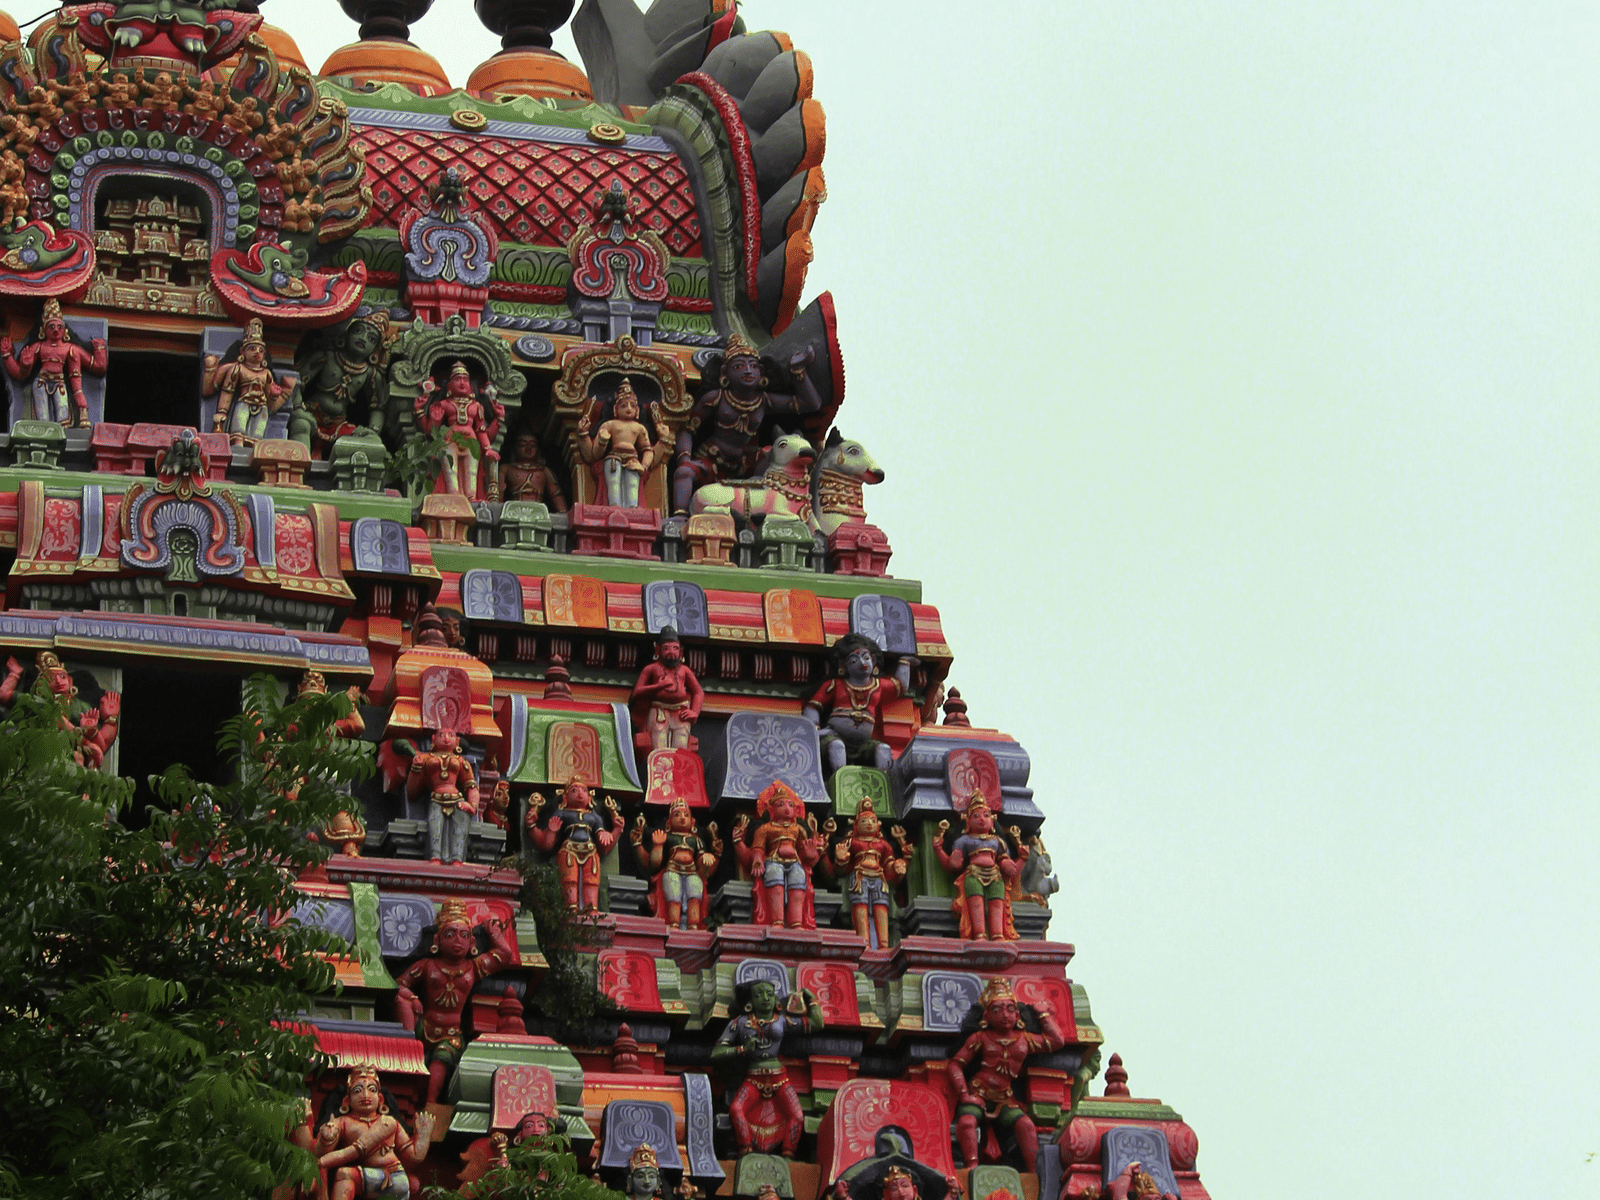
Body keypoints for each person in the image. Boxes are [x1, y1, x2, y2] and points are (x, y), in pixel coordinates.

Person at [670, 335, 821, 514]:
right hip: (713, 458)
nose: (748, 371)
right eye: (739, 366)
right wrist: (684, 458)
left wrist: (798, 371)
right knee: (684, 473)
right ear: (725, 373)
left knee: (777, 464)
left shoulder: (764, 401)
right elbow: (687, 429)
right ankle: (679, 517)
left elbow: (811, 404)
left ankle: (768, 513)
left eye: (754, 366)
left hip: (747, 460)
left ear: (762, 373)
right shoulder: (715, 398)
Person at [394, 899, 516, 1105]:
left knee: (440, 1062)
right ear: (437, 940)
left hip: (451, 1034)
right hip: (423, 1026)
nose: (457, 941)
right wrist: (412, 998)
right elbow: (399, 985)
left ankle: (431, 1105)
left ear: (472, 943)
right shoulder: (427, 965)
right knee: (400, 1000)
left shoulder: (472, 968)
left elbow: (504, 955)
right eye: (449, 935)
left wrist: (494, 933)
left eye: (464, 935)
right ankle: (406, 1049)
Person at [947, 977, 1065, 1175]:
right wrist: (964, 1094)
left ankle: (1034, 1174)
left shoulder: (1024, 1040)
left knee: (1026, 1125)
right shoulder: (980, 1038)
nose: (1005, 1015)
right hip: (979, 1093)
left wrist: (1043, 1014)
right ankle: (972, 1169)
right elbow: (955, 1065)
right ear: (986, 1016)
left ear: (1018, 1014)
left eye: (1010, 1009)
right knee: (967, 1123)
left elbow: (1056, 1041)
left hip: (1005, 1098)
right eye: (997, 1010)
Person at [711, 980, 823, 1157]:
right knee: (736, 1109)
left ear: (776, 999)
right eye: (758, 995)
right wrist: (741, 1049)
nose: (765, 998)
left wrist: (812, 1000)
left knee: (798, 1116)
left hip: (780, 1078)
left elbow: (816, 1023)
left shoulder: (783, 1021)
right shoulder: (739, 1023)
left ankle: (788, 1155)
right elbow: (716, 1053)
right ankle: (745, 1150)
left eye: (769, 994)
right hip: (753, 1078)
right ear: (750, 1002)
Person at [315, 1063, 435, 1200]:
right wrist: (326, 1139)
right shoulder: (343, 1122)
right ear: (347, 1101)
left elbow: (414, 1156)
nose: (365, 1095)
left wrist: (423, 1136)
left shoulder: (389, 1122)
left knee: (344, 1173)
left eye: (372, 1089)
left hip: (397, 1177)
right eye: (357, 1090)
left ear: (381, 1099)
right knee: (344, 1173)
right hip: (365, 1177)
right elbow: (318, 1154)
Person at [803, 634, 914, 775]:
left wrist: (904, 662)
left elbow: (900, 685)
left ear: (873, 660)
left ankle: (884, 781)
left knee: (883, 749)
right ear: (844, 665)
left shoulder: (878, 686)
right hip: (835, 736)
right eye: (854, 660)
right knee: (837, 747)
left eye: (866, 658)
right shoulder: (835, 684)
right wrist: (815, 730)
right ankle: (839, 780)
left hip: (864, 743)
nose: (862, 663)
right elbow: (812, 706)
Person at [0, 297, 107, 427]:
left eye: (59, 327)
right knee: (43, 419)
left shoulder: (70, 348)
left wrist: (99, 348)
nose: (56, 330)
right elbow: (19, 373)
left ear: (64, 331)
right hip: (41, 382)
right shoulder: (39, 346)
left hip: (59, 383)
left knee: (63, 418)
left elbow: (97, 366)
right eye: (51, 327)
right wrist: (9, 356)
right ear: (43, 331)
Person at [732, 780, 824, 930]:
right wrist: (756, 860)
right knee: (774, 877)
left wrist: (812, 853)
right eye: (781, 805)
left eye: (790, 805)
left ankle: (796, 922)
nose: (787, 809)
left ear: (795, 811)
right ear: (772, 810)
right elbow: (758, 848)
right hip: (774, 860)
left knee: (799, 879)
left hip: (794, 861)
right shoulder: (765, 829)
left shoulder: (798, 829)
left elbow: (804, 853)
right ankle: (777, 921)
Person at [934, 796, 1027, 941]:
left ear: (992, 822)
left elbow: (1008, 866)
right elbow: (954, 865)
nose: (981, 819)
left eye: (986, 815)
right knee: (976, 905)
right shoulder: (964, 840)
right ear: (968, 822)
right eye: (976, 816)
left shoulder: (997, 841)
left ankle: (997, 935)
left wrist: (1021, 859)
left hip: (995, 876)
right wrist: (939, 849)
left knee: (997, 905)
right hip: (973, 875)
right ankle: (979, 934)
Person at [526, 779, 623, 912]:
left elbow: (599, 830)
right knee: (569, 879)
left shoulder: (593, 816)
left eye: (584, 790)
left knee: (591, 881)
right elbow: (547, 843)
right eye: (574, 790)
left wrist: (603, 834)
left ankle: (591, 908)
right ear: (565, 797)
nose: (579, 794)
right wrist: (552, 831)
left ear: (589, 797)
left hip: (590, 850)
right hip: (569, 849)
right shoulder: (562, 813)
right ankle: (571, 906)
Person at [415, 360, 503, 501]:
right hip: (450, 441)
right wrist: (420, 410)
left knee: (472, 473)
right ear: (449, 386)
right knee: (451, 472)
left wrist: (488, 448)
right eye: (457, 379)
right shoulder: (444, 404)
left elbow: (481, 431)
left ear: (470, 386)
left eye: (465, 380)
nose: (462, 382)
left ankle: (471, 499)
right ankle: (453, 497)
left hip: (472, 443)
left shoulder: (477, 406)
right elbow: (430, 431)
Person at [631, 796, 721, 930]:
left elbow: (701, 859)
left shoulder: (695, 840)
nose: (682, 818)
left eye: (686, 815)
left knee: (695, 895)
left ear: (692, 821)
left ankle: (694, 925)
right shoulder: (669, 838)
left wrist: (706, 856)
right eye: (677, 815)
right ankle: (673, 923)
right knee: (674, 896)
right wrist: (658, 846)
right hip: (672, 870)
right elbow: (655, 864)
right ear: (669, 822)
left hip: (692, 871)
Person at [577, 377, 666, 507]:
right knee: (613, 483)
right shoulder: (609, 424)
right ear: (615, 410)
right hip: (613, 458)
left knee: (633, 484)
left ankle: (633, 508)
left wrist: (643, 466)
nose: (628, 408)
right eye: (623, 405)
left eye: (633, 405)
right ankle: (614, 507)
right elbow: (594, 455)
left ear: (637, 411)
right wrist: (602, 441)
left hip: (633, 458)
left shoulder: (639, 428)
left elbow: (647, 450)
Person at [204, 318, 293, 445]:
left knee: (257, 435)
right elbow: (227, 391)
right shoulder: (238, 368)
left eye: (261, 350)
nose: (257, 352)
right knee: (238, 430)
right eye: (252, 348)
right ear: (242, 352)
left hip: (262, 406)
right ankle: (238, 447)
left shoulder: (266, 373)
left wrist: (274, 395)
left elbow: (270, 404)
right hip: (244, 402)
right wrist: (222, 412)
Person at [406, 728, 478, 866]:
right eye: (441, 735)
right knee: (434, 826)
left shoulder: (462, 761)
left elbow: (472, 787)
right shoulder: (427, 759)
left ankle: (457, 858)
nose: (446, 738)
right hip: (436, 799)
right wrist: (415, 768)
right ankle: (435, 857)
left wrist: (472, 805)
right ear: (433, 739)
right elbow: (412, 792)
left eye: (451, 735)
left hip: (458, 800)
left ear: (457, 741)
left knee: (460, 828)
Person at [628, 625, 703, 752]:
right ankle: (660, 771)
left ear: (681, 652)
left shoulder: (684, 670)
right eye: (666, 648)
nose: (671, 652)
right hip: (659, 712)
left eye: (675, 648)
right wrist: (659, 686)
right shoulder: (651, 669)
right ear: (658, 651)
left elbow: (698, 692)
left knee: (681, 746)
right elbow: (637, 693)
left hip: (680, 713)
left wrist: (694, 712)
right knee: (659, 746)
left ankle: (677, 770)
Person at [498, 432, 568, 511]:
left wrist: (563, 512)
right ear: (514, 448)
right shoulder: (506, 468)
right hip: (514, 508)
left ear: (538, 449)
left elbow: (555, 494)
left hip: (538, 509)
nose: (528, 448)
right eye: (522, 444)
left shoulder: (544, 471)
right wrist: (498, 509)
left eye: (533, 445)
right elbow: (499, 491)